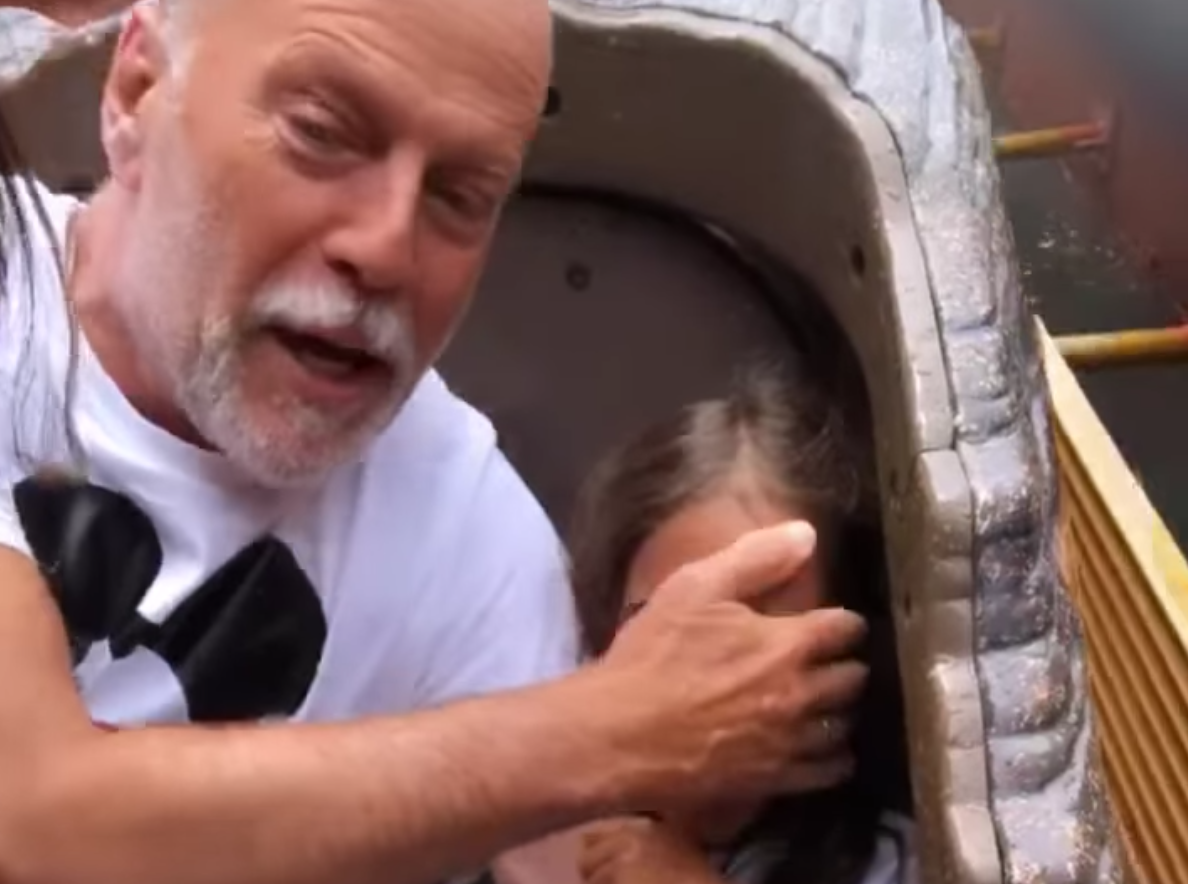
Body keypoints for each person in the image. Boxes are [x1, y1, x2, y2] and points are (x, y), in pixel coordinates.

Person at [0, 2, 870, 884]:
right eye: (322, 134)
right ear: (138, 87)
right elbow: (30, 817)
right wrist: (604, 730)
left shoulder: (475, 551)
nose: (385, 248)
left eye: (460, 196)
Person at [567, 368, 917, 884]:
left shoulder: (896, 861)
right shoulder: (558, 815)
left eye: (763, 639)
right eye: (665, 628)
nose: (715, 683)